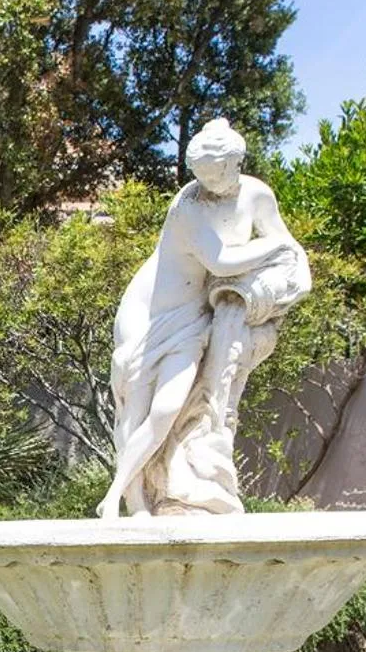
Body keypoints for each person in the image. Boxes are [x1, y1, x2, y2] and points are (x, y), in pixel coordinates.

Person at [99, 118, 311, 518]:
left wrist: (283, 260)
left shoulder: (258, 196)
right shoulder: (189, 203)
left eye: (216, 174)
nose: (208, 183)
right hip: (149, 312)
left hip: (195, 316)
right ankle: (130, 500)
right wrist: (277, 247)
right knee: (137, 405)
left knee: (167, 410)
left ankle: (175, 487)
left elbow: (286, 247)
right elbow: (221, 260)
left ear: (236, 164)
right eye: (201, 175)